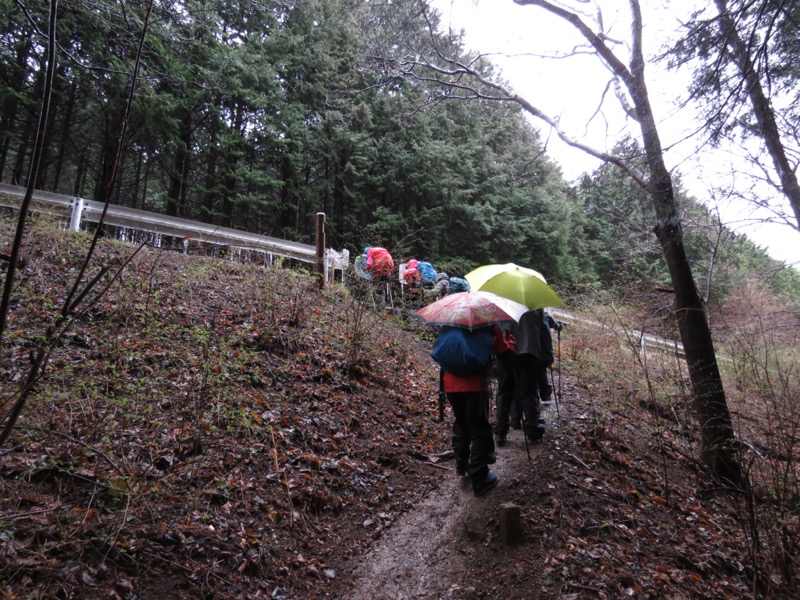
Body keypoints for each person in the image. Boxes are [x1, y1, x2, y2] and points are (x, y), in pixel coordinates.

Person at [438, 324, 514, 496]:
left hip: (449, 384)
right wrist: (510, 341)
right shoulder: (486, 323)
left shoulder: (449, 323)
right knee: (479, 427)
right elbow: (501, 350)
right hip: (474, 385)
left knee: (461, 422)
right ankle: (480, 478)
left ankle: (462, 465)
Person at [495, 309, 547, 446]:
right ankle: (533, 432)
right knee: (528, 393)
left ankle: (500, 433)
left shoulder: (499, 304)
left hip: (505, 351)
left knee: (504, 393)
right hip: (528, 351)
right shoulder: (532, 305)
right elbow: (541, 327)